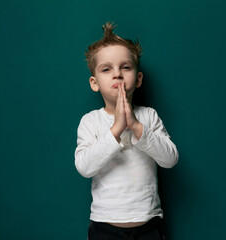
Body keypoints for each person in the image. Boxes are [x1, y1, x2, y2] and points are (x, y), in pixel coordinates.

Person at [75, 22, 179, 240]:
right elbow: (85, 167)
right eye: (106, 69)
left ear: (138, 79)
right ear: (94, 83)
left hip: (148, 225)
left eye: (125, 67)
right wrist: (116, 130)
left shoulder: (149, 116)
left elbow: (170, 159)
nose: (117, 75)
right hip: (105, 227)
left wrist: (136, 126)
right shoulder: (90, 121)